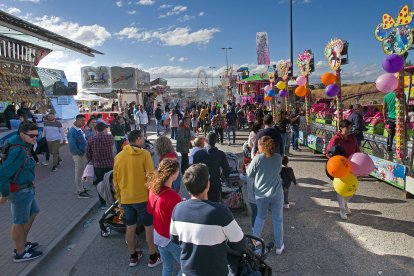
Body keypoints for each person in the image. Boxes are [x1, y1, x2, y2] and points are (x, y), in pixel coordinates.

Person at [170, 163, 246, 276]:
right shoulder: (221, 212)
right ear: (207, 185)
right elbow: (240, 243)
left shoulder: (178, 209)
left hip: (188, 272)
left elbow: (174, 239)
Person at [113, 130, 161, 268]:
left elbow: (115, 180)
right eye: (143, 137)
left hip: (126, 198)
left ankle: (133, 256)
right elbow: (151, 178)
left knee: (130, 227)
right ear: (138, 139)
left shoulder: (119, 156)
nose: (144, 139)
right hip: (143, 198)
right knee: (148, 227)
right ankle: (153, 256)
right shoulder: (145, 154)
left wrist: (119, 197)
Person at [0, 121, 42, 262]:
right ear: (22, 134)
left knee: (34, 212)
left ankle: (22, 243)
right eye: (32, 136)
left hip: (26, 188)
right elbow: (3, 173)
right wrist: (4, 194)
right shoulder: (18, 150)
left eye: (37, 135)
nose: (35, 138)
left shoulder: (22, 144)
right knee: (19, 221)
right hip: (19, 191)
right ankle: (20, 252)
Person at [247, 136, 284, 254]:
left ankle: (254, 241)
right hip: (276, 193)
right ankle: (279, 246)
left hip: (261, 194)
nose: (257, 146)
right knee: (278, 220)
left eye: (258, 144)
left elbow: (249, 173)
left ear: (262, 146)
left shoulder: (258, 158)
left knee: (260, 217)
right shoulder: (278, 158)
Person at [147, 159, 182, 276]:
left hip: (158, 235)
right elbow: (179, 221)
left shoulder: (153, 188)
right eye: (178, 171)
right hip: (170, 237)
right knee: (187, 266)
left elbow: (150, 209)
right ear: (173, 174)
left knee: (167, 267)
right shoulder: (173, 197)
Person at [326, 119, 360, 220]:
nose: (349, 130)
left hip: (352, 166)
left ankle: (345, 204)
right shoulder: (335, 139)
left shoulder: (353, 139)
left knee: (353, 188)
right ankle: (342, 209)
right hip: (340, 168)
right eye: (347, 128)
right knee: (341, 190)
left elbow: (357, 151)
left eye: (350, 128)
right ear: (341, 128)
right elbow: (328, 153)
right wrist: (336, 161)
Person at [193, 132, 230, 202]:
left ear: (206, 140)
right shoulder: (221, 154)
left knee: (202, 205)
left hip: (201, 184)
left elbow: (194, 171)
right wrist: (221, 178)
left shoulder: (198, 154)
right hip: (215, 183)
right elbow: (227, 171)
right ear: (216, 141)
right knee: (214, 205)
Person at [86, 122, 114, 209]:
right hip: (110, 164)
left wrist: (91, 160)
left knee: (100, 183)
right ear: (105, 129)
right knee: (111, 183)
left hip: (98, 165)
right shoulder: (110, 138)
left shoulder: (91, 139)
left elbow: (88, 153)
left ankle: (103, 203)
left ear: (96, 129)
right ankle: (113, 200)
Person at [67, 114, 91, 199]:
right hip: (78, 155)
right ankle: (80, 191)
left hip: (82, 154)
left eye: (84, 121)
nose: (84, 122)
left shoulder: (78, 129)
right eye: (82, 121)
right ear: (77, 120)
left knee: (82, 172)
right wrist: (80, 153)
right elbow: (72, 146)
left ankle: (81, 187)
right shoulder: (72, 131)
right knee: (79, 172)